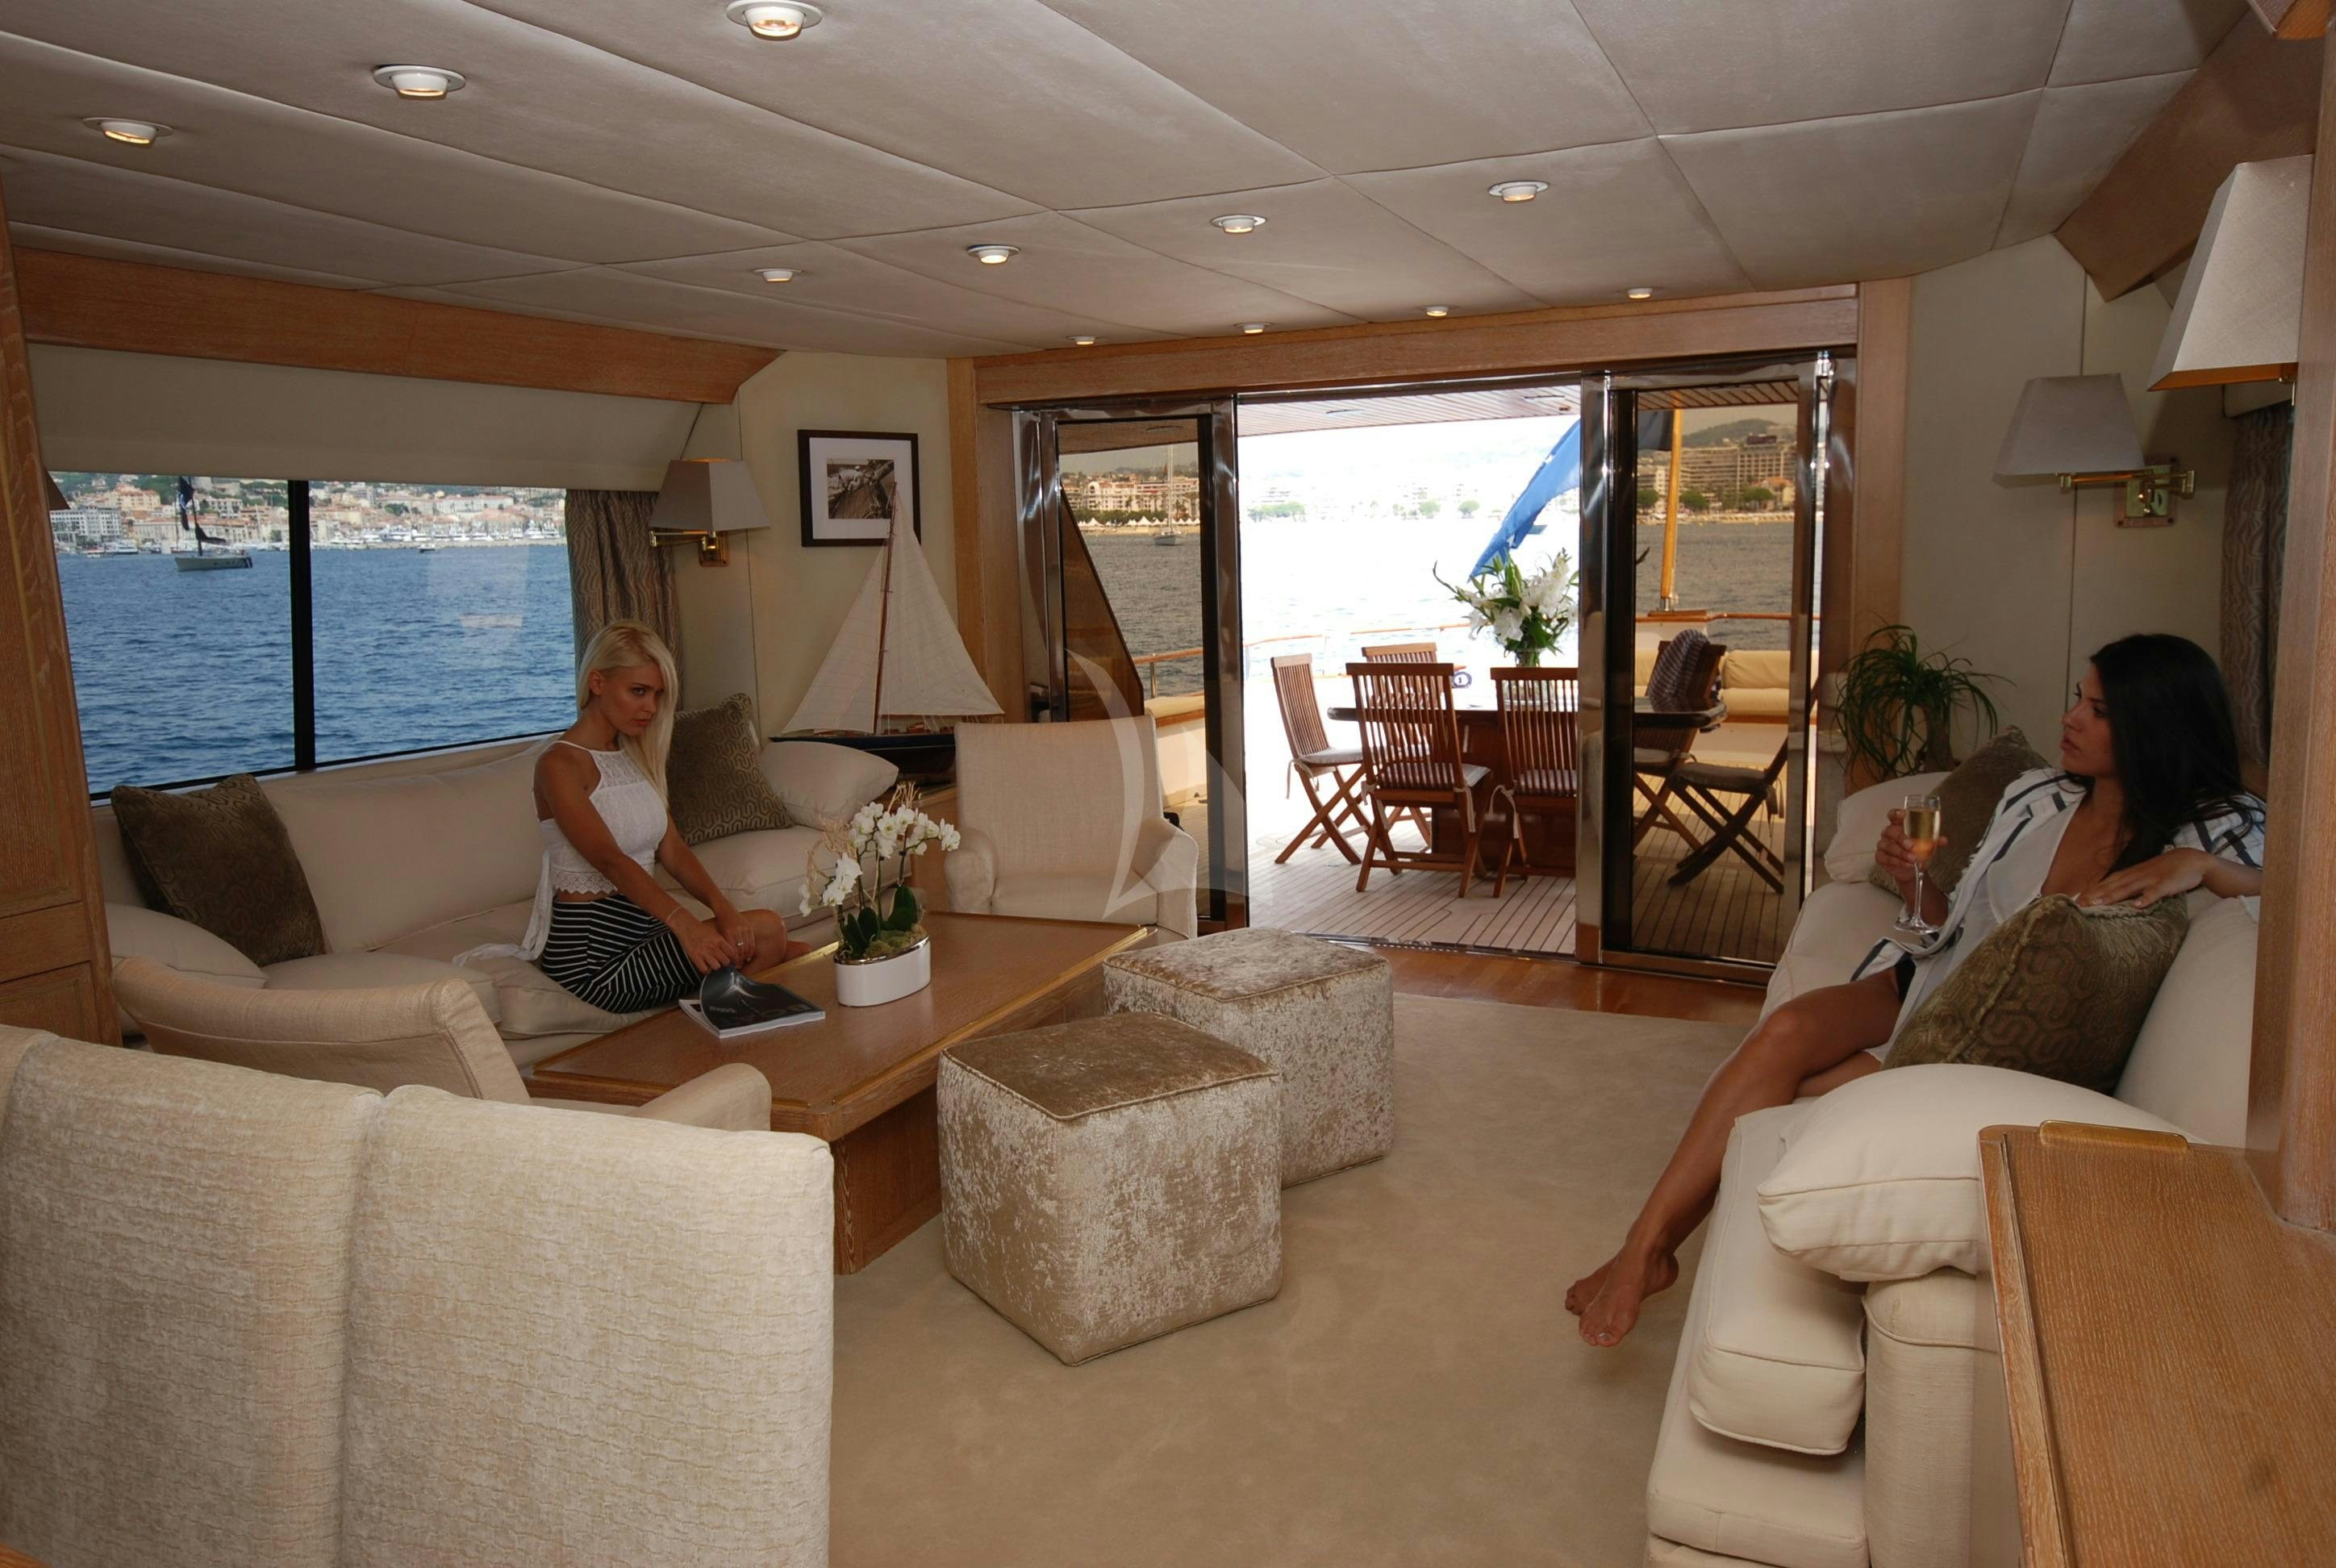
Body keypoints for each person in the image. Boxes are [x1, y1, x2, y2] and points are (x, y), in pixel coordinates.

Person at [1569, 632, 2267, 1348]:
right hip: (1928, 974)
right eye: (2077, 699)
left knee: (1781, 1089)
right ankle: (1644, 1250)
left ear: (2157, 722)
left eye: (2098, 710)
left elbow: (2301, 896)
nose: (2071, 719)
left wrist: (2201, 866)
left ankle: (1644, 1256)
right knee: (1781, 1035)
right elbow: (1947, 923)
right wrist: (1914, 882)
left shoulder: (2217, 827)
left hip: (1983, 1028)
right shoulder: (2038, 798)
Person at [462, 619, 804, 1013]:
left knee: (797, 950)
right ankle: (701, 1036)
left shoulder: (634, 755)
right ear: (597, 683)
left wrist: (722, 908)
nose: (650, 708)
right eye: (638, 691)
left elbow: (673, 850)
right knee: (769, 932)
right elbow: (609, 859)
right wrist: (685, 925)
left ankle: (707, 1029)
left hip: (643, 930)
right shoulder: (560, 764)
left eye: (657, 694)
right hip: (594, 958)